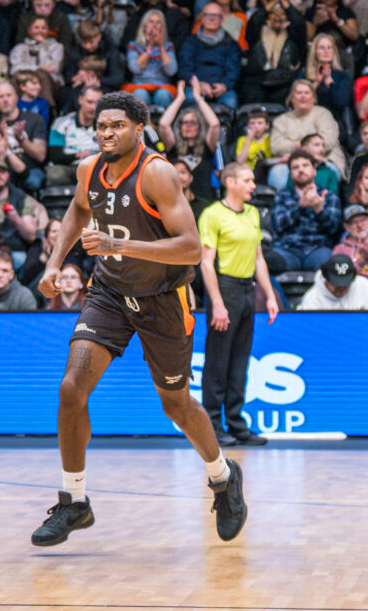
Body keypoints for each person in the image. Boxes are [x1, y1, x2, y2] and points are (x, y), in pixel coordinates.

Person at [32, 91, 245, 548]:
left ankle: (223, 477)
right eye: (101, 126)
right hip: (109, 291)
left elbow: (190, 247)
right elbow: (77, 210)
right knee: (71, 388)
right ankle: (74, 500)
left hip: (164, 299)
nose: (107, 133)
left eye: (117, 126)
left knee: (176, 405)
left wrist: (119, 246)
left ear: (139, 129)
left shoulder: (158, 173)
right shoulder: (89, 168)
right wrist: (54, 263)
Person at [198, 163, 279, 448]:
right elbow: (206, 263)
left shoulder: (253, 213)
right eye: (247, 180)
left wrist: (269, 295)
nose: (253, 185)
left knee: (240, 360)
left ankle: (236, 422)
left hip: (247, 290)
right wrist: (217, 303)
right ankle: (211, 424)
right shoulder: (212, 215)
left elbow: (259, 258)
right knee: (218, 359)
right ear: (229, 182)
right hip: (225, 287)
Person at [268, 150, 342, 272]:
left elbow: (334, 229)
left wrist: (319, 209)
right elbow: (278, 226)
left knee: (330, 264)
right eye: (295, 168)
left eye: (305, 166)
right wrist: (299, 207)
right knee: (269, 260)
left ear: (314, 170)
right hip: (288, 249)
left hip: (318, 250)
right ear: (291, 174)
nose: (301, 170)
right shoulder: (282, 196)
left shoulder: (328, 196)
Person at [0, 81, 48, 192]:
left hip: (30, 168)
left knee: (33, 180)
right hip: (1, 167)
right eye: (1, 97)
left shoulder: (34, 119)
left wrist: (21, 139)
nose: (5, 100)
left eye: (9, 95)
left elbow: (41, 156)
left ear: (16, 98)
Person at [177, 1, 241, 109]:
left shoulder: (231, 44)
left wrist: (224, 85)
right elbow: (184, 69)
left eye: (216, 16)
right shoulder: (190, 42)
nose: (212, 19)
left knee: (231, 100)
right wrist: (199, 85)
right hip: (195, 86)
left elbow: (233, 70)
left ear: (222, 19)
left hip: (221, 88)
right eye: (208, 15)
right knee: (189, 98)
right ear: (202, 18)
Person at [46, 86, 102, 186]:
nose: (94, 107)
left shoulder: (106, 125)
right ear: (80, 100)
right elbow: (54, 156)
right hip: (68, 167)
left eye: (97, 103)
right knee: (54, 174)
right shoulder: (62, 123)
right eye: (90, 102)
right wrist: (77, 155)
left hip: (95, 167)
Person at [124, 10, 178, 108]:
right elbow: (135, 69)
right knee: (140, 94)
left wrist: (161, 46)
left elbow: (171, 71)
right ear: (144, 25)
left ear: (163, 26)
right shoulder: (134, 45)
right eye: (151, 22)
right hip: (139, 85)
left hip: (162, 86)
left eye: (158, 22)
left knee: (163, 95)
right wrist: (150, 46)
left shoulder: (168, 46)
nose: (154, 26)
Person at [297, 253, 368, 309]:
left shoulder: (364, 286)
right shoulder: (313, 299)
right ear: (326, 279)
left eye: (345, 284)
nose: (341, 287)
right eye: (336, 284)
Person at [333, 204, 368, 276]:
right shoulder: (340, 250)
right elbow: (341, 276)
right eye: (354, 222)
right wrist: (360, 261)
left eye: (363, 220)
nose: (359, 225)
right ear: (346, 226)